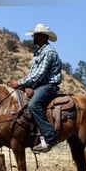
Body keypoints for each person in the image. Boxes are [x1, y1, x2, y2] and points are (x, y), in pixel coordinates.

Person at [10, 23, 62, 152]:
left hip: (48, 85)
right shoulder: (39, 51)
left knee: (34, 105)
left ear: (43, 37)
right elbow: (34, 74)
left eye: (36, 35)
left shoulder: (48, 52)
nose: (33, 37)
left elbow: (39, 74)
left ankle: (49, 138)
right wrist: (24, 83)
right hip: (39, 84)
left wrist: (20, 82)